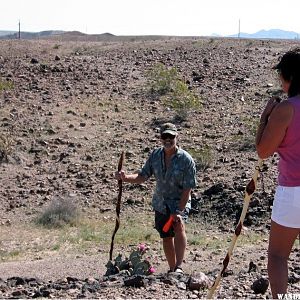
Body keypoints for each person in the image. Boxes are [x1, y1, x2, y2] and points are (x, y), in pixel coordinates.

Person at [115, 122, 197, 273]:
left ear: (176, 137)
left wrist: (179, 210)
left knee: (179, 227)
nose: (168, 139)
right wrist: (125, 177)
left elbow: (188, 188)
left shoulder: (186, 160)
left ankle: (178, 267)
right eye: (164, 136)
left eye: (171, 136)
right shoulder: (155, 155)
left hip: (179, 201)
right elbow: (142, 176)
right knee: (166, 235)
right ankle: (172, 269)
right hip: (161, 202)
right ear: (160, 138)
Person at [255, 48, 300, 298]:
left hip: (293, 191)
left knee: (278, 255)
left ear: (289, 77)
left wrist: (265, 118)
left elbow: (263, 151)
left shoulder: (286, 110)